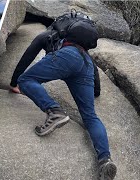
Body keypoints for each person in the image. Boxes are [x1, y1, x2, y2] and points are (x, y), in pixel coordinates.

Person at [9, 12, 117, 180]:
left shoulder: (49, 34)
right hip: (85, 66)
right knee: (90, 116)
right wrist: (96, 91)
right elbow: (94, 72)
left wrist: (14, 82)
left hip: (66, 56)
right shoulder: (86, 53)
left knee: (26, 80)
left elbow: (29, 55)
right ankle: (105, 159)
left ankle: (54, 111)